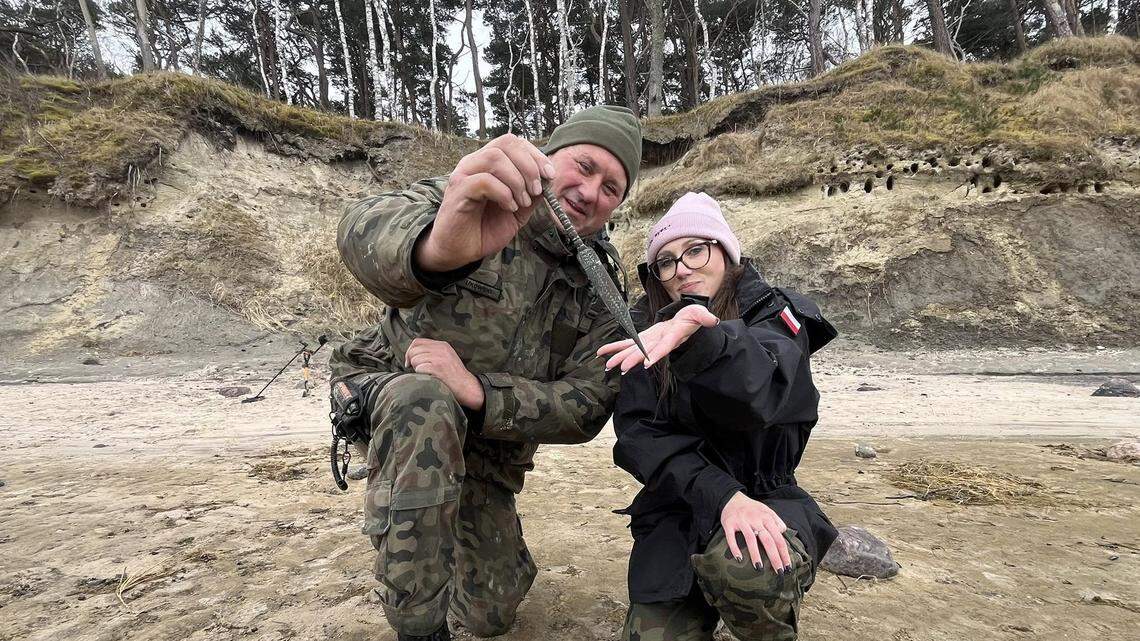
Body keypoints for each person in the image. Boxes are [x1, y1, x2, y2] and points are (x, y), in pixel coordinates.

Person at [328, 106, 642, 641]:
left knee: (491, 612)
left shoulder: (599, 289)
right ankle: (418, 625)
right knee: (423, 401)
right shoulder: (475, 193)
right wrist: (438, 248)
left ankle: (447, 529)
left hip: (489, 446)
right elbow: (359, 229)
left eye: (611, 188)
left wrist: (480, 392)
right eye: (584, 166)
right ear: (548, 156)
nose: (591, 192)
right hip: (393, 392)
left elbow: (588, 404)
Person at [598, 192, 839, 641]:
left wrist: (699, 340)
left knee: (747, 567)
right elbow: (639, 440)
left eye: (695, 250)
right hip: (677, 507)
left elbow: (761, 393)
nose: (681, 268)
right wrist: (722, 495)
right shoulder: (642, 332)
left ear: (725, 254)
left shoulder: (775, 315)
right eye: (666, 261)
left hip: (767, 496)